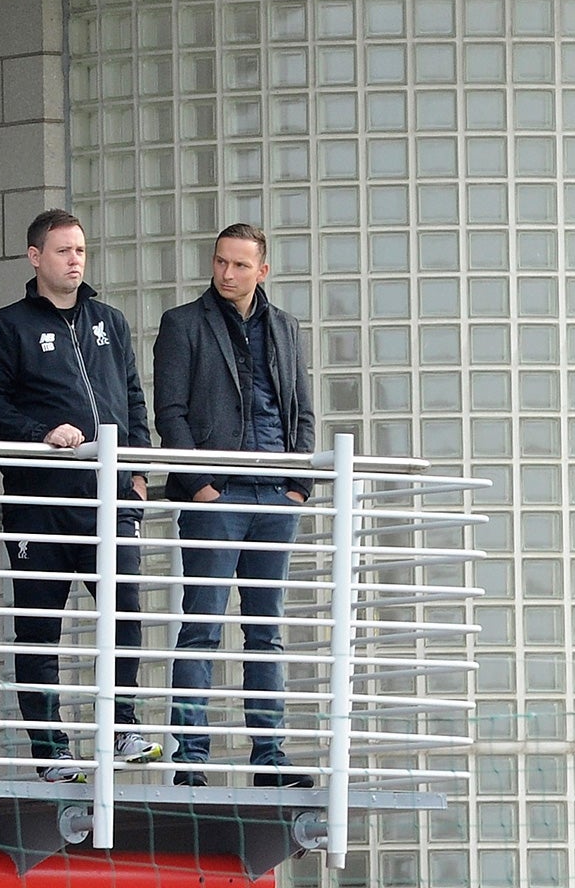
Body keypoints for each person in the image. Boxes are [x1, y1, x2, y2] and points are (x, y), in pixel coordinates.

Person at [0, 208, 158, 782]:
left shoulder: (110, 320)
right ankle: (50, 749)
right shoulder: (7, 327)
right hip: (39, 502)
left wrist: (136, 473)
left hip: (109, 497)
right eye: (62, 251)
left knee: (123, 608)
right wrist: (42, 434)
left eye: (80, 250)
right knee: (40, 625)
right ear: (35, 258)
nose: (75, 259)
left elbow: (132, 399)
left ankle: (123, 726)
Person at [154, 224, 317, 788]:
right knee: (201, 625)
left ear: (262, 271)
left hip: (276, 494)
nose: (227, 274)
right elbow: (169, 414)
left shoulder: (286, 327)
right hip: (216, 496)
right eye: (221, 262)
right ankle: (190, 759)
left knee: (265, 630)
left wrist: (299, 486)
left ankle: (269, 759)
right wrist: (201, 486)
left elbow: (303, 411)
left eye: (240, 265)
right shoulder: (182, 324)